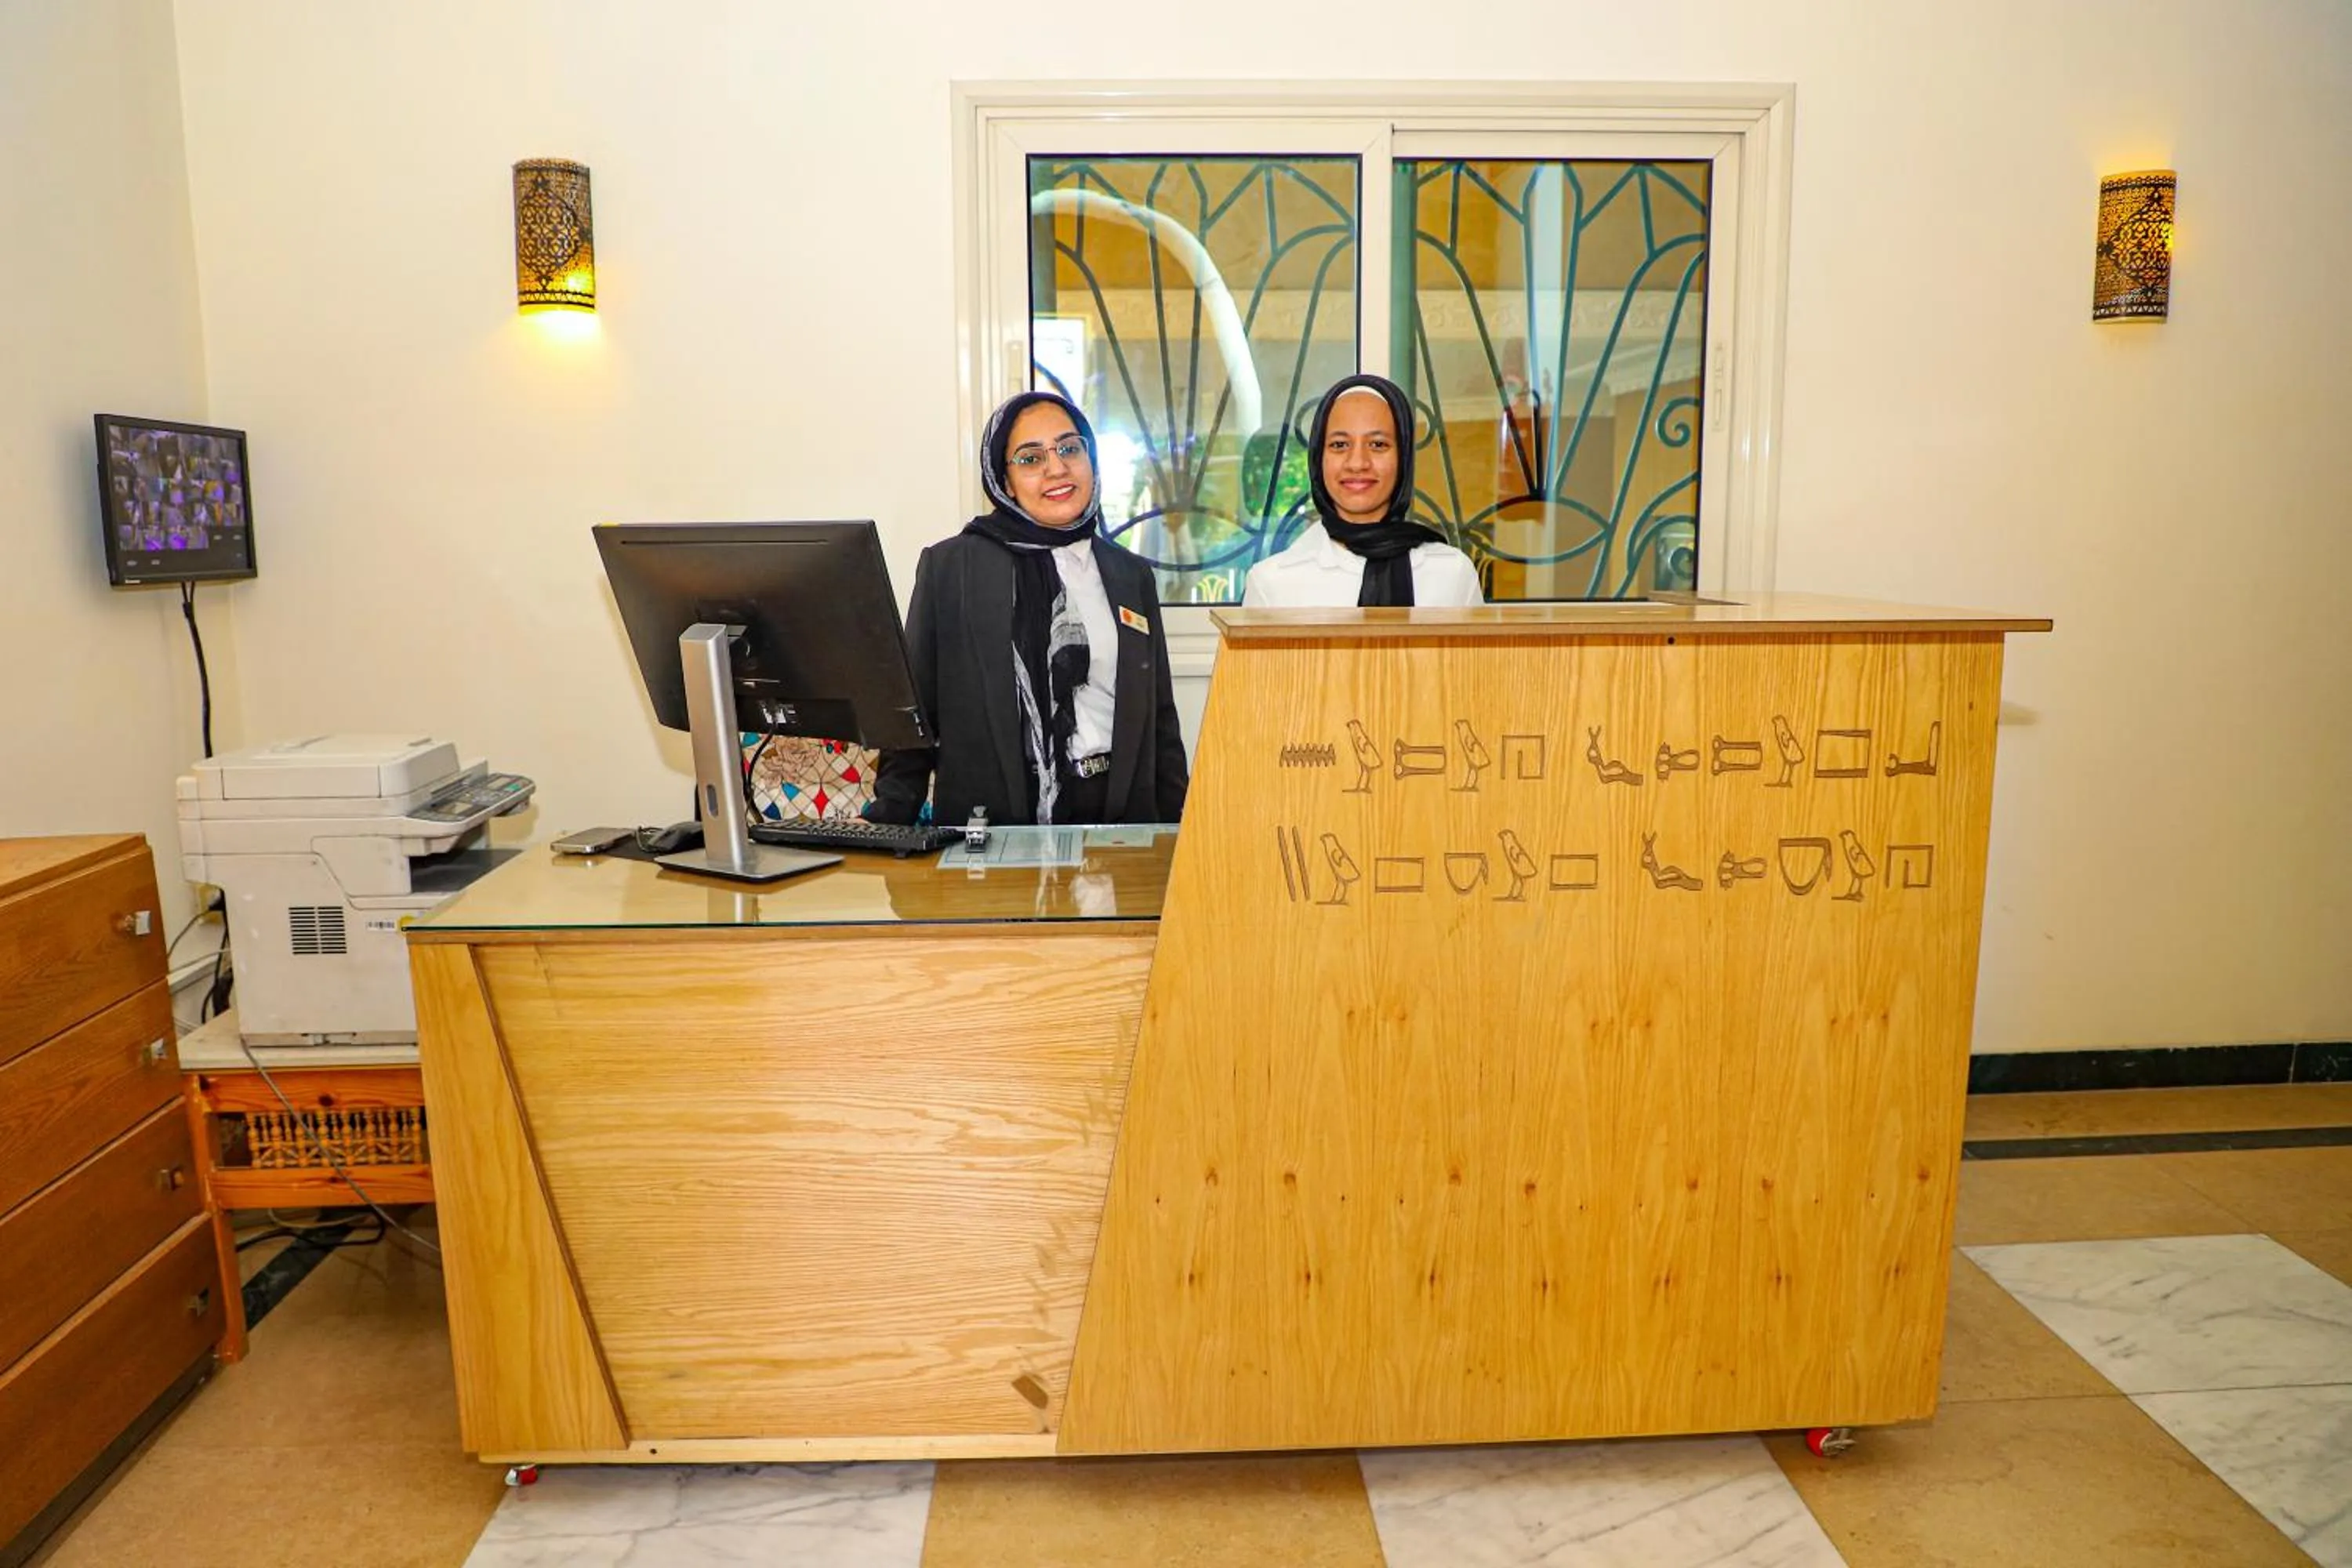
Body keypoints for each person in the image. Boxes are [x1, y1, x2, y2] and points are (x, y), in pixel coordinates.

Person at [868, 390, 1189, 828]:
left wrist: (1181, 832)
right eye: (1031, 458)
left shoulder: (1131, 577)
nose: (1056, 468)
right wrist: (889, 827)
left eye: (1070, 449)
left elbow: (1160, 723)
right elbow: (915, 721)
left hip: (1122, 820)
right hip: (996, 826)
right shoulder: (953, 570)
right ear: (1005, 480)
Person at [1241, 373, 1484, 608]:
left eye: (1378, 445)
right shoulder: (1272, 584)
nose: (1357, 463)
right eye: (1339, 445)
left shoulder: (1452, 574)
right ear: (1318, 458)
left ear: (1403, 458)